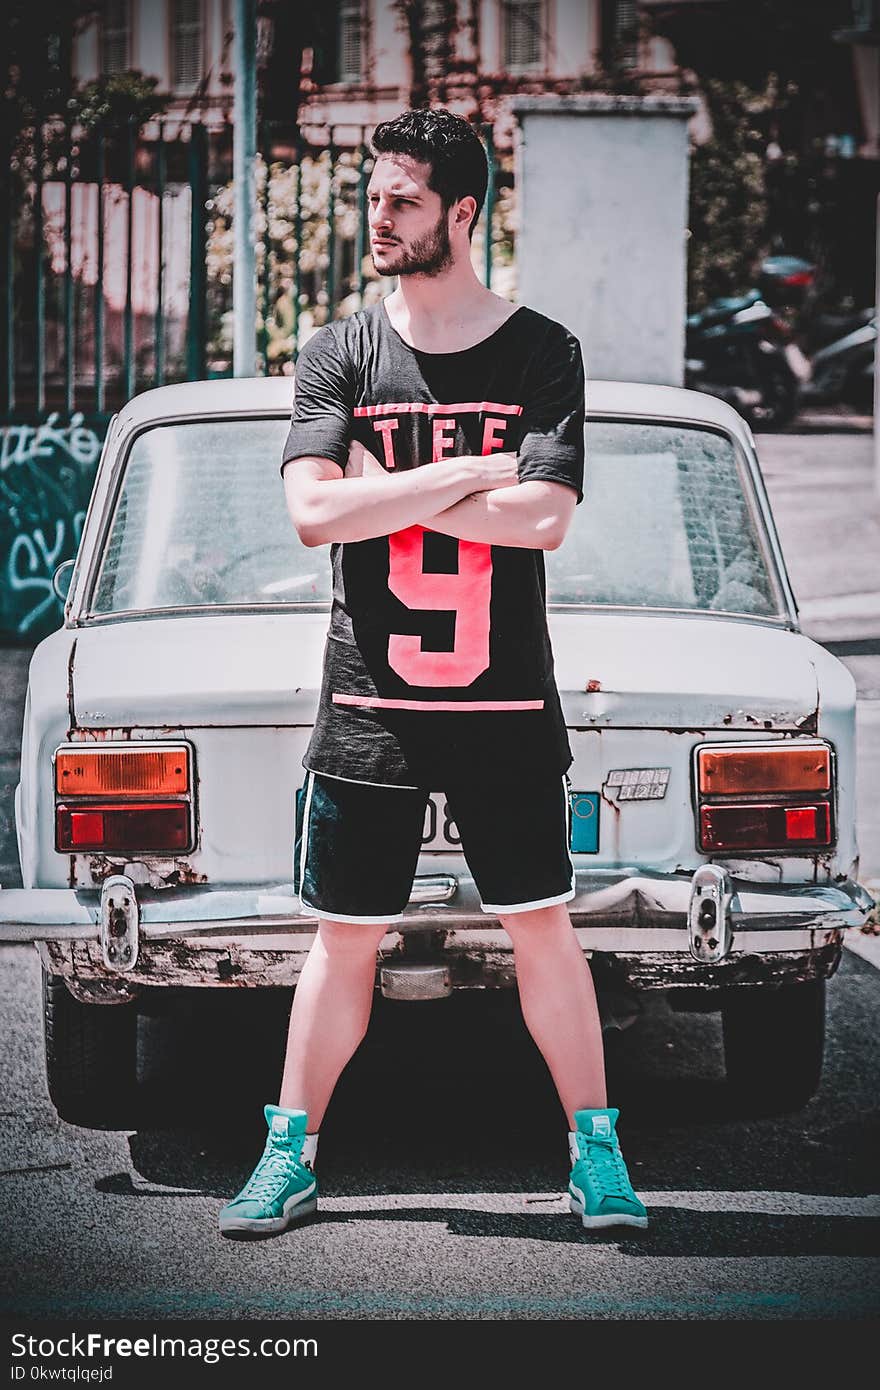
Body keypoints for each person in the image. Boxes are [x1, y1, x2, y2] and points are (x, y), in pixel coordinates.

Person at [218, 108, 647, 1239]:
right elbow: (312, 514)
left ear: (463, 212)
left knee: (542, 925)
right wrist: (466, 468)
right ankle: (288, 1156)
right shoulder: (341, 351)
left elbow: (545, 518)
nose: (379, 217)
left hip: (504, 702)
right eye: (374, 197)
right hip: (368, 703)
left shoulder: (542, 349)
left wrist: (385, 482)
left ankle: (597, 1158)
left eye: (402, 199)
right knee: (342, 938)